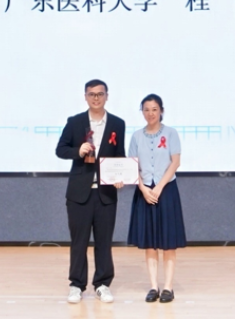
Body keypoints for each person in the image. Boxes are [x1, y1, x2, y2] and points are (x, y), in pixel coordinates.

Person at [55, 79, 126, 304]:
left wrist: (120, 176)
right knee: (79, 242)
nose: (96, 98)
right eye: (91, 94)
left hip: (106, 194)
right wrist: (78, 150)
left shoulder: (117, 123)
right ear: (85, 96)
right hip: (79, 194)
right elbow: (60, 150)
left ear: (107, 96)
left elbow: (119, 154)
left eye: (100, 94)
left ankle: (102, 284)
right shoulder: (75, 122)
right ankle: (76, 285)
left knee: (104, 242)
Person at [127, 94, 186, 303]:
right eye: (146, 110)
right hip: (144, 192)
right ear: (142, 112)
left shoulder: (171, 133)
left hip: (166, 190)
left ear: (161, 110)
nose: (150, 113)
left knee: (168, 242)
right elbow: (132, 166)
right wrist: (143, 189)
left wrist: (159, 187)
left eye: (154, 109)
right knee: (150, 243)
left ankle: (168, 287)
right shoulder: (136, 136)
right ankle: (153, 286)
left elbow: (175, 162)